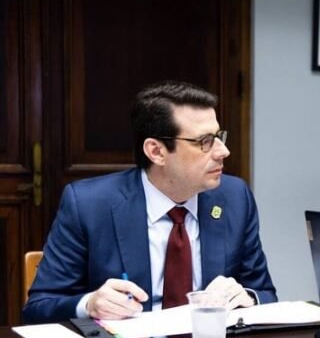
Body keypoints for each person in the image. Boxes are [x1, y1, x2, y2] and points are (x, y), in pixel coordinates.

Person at [23, 81, 277, 324]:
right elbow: (39, 308)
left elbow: (265, 294)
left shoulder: (235, 198)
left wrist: (248, 298)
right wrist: (89, 304)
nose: (223, 151)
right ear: (156, 151)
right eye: (205, 142)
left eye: (219, 136)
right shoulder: (89, 205)